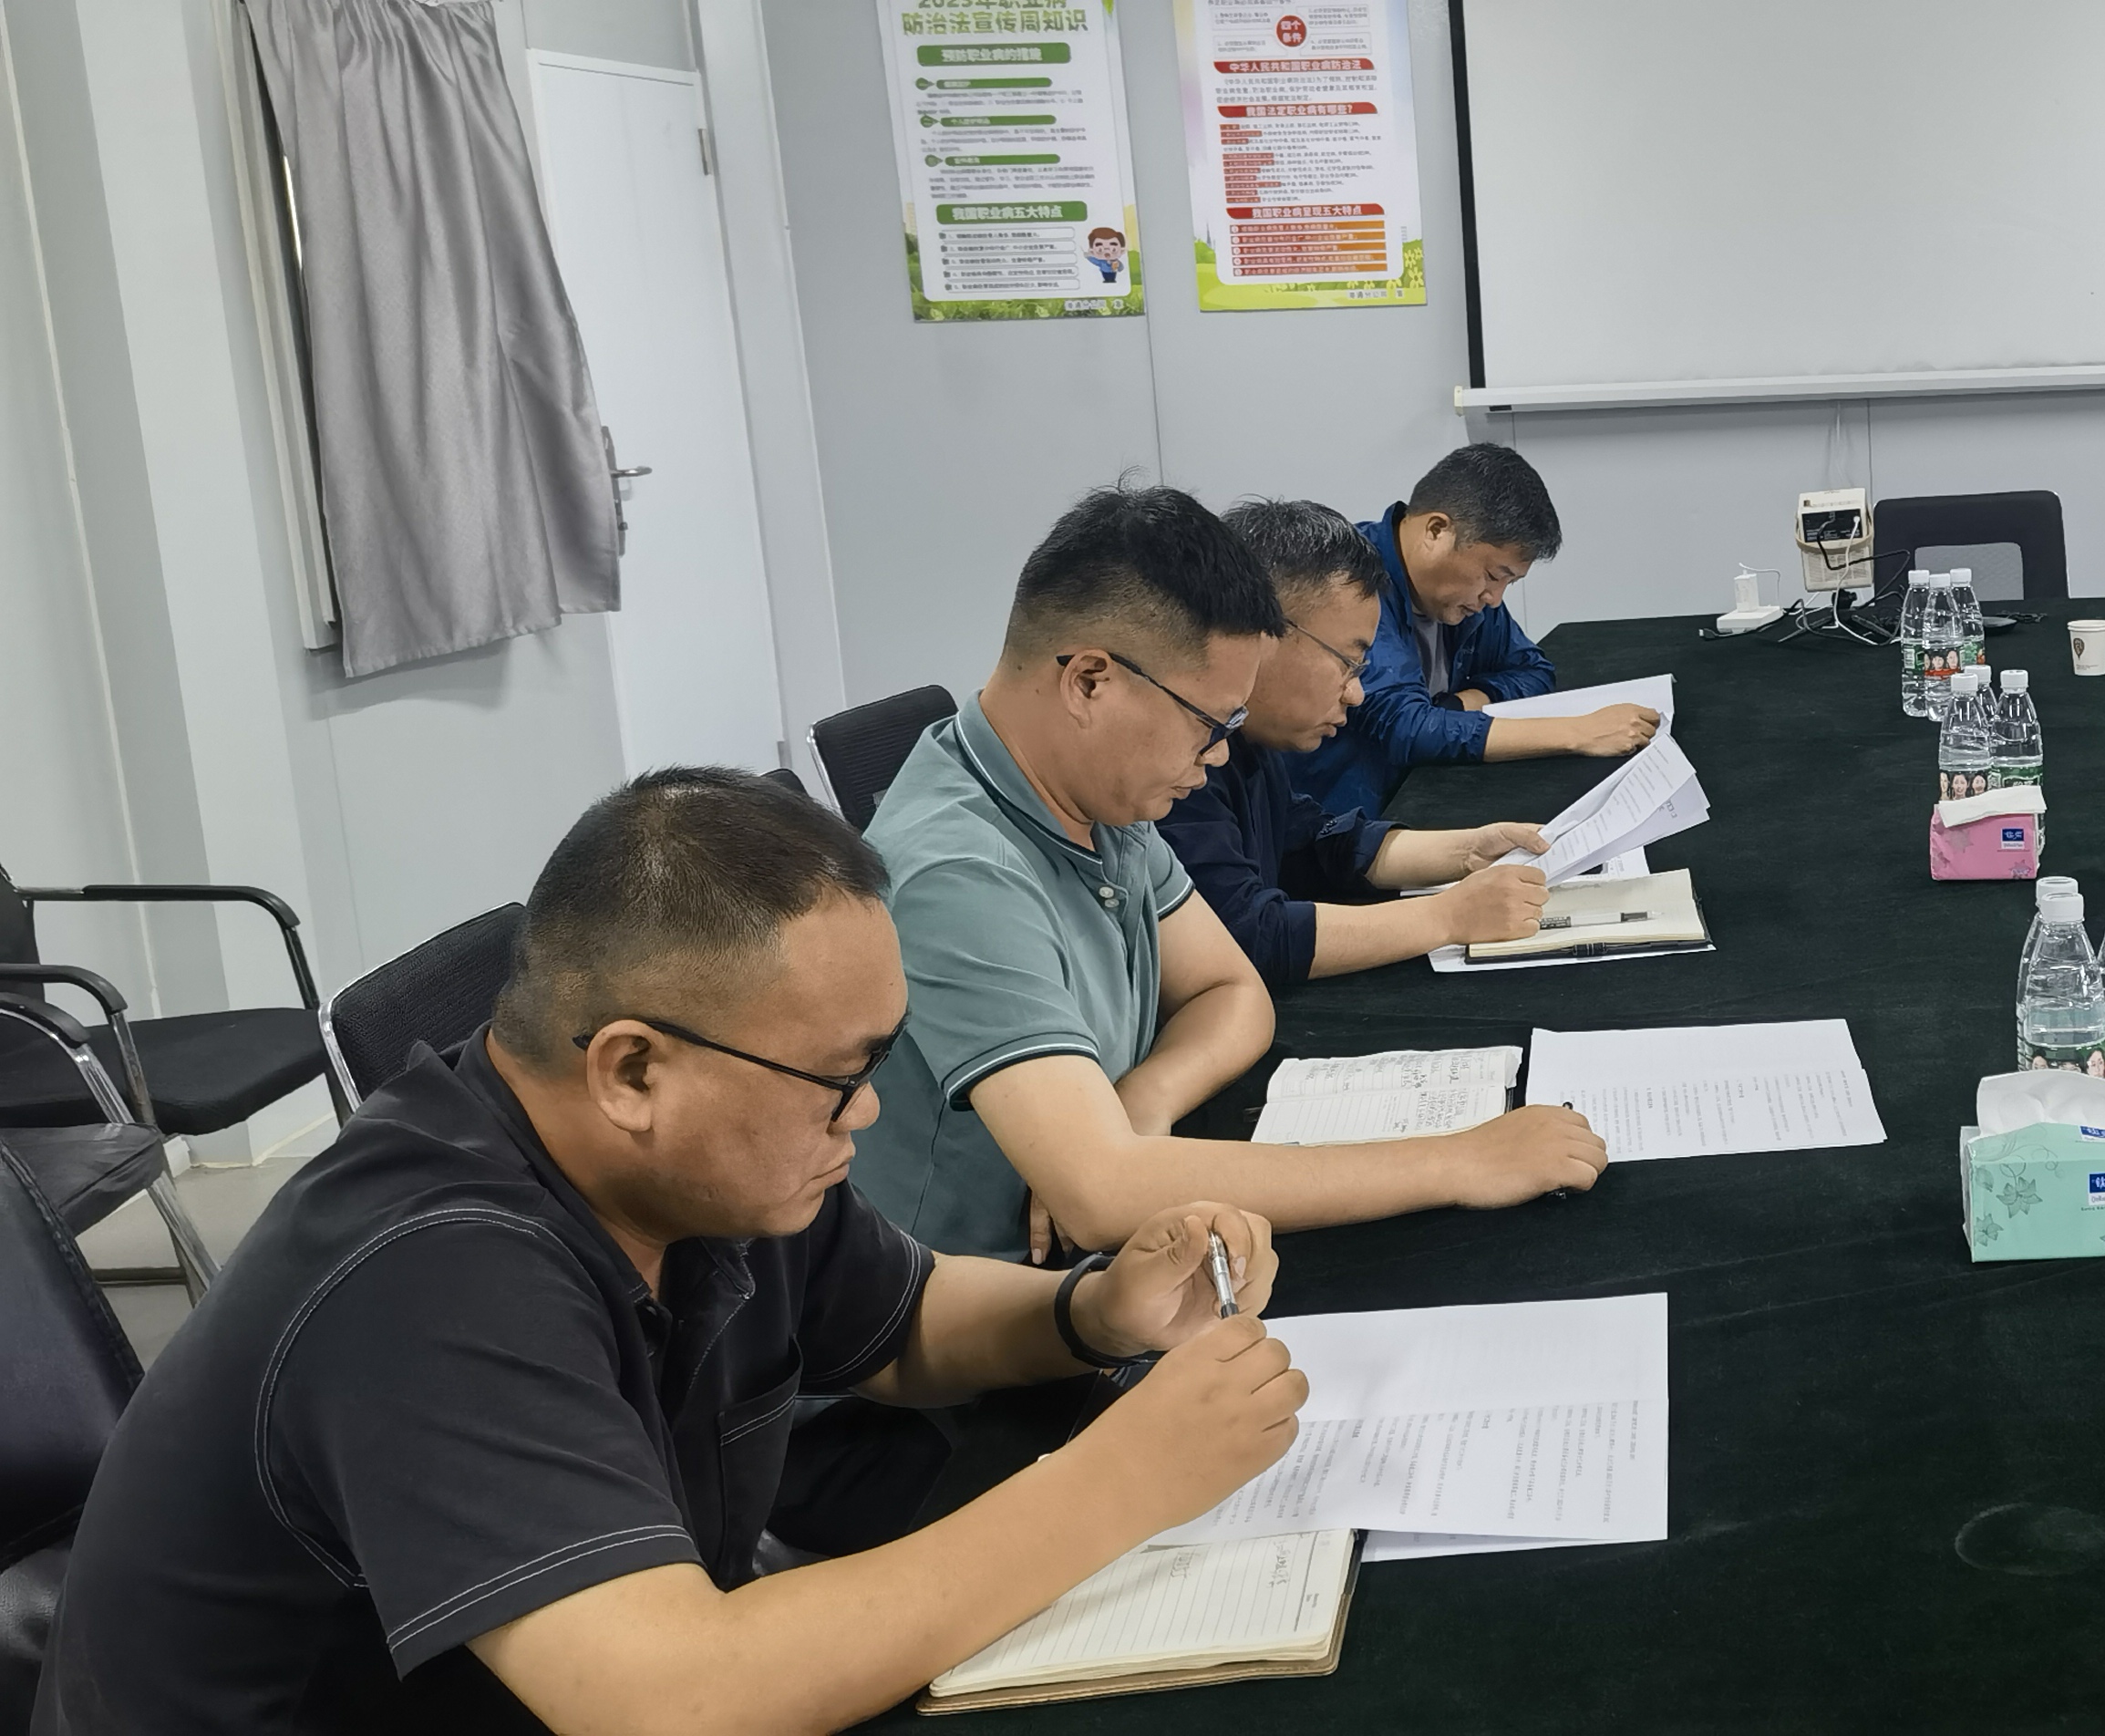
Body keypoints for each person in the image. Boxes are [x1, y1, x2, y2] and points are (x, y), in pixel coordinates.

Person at [36, 770, 1309, 1732]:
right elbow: (673, 1698)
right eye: (841, 1075)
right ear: (634, 1070)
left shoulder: (711, 1166)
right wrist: (1121, 1479)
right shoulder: (430, 1273)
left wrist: (1092, 1311)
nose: (867, 1111)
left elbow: (903, 1321)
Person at [850, 485, 1603, 1263]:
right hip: (997, 1288)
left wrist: (1143, 1098)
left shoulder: (1093, 793)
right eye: (1210, 725)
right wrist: (1458, 1162)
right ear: (1090, 682)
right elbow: (1102, 1195)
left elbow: (1232, 989)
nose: (1216, 758)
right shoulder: (960, 869)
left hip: (1109, 1239)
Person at [1161, 499, 1555, 989]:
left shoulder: (1251, 739)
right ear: (1262, 635)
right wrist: (1447, 917)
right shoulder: (1178, 762)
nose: (1356, 693)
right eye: (1348, 663)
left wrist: (1468, 850)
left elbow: (1312, 841)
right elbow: (1242, 936)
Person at [1282, 442, 1660, 817]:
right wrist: (1577, 733)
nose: (1494, 598)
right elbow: (1407, 729)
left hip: (1423, 797)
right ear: (1436, 530)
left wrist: (1454, 707)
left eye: (1509, 582)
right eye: (1494, 575)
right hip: (1346, 822)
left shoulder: (1464, 599)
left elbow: (1533, 671)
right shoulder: (1350, 584)